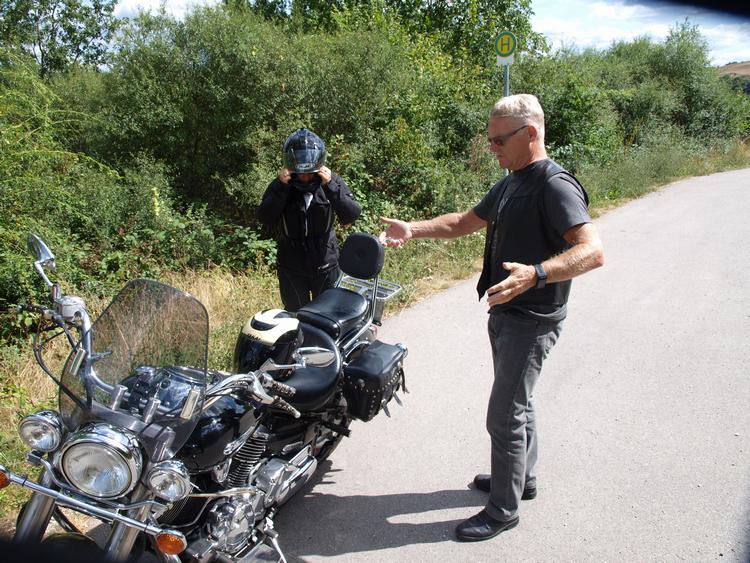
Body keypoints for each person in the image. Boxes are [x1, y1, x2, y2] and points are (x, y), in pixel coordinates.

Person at [379, 94, 605, 542]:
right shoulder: (512, 181)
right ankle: (523, 479)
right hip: (507, 311)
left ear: (531, 133)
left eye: (500, 140)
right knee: (519, 402)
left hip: (532, 317)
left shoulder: (554, 185)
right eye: (490, 139)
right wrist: (413, 228)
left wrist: (537, 274)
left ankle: (503, 510)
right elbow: (463, 222)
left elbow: (592, 251)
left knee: (504, 415)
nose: (492, 147)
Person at [258, 128, 361, 311]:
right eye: (301, 172)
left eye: (310, 172)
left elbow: (351, 214)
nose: (305, 177)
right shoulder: (281, 184)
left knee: (328, 313)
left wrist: (331, 186)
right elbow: (265, 218)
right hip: (291, 265)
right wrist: (281, 188)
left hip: (325, 261)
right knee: (296, 315)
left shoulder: (331, 181)